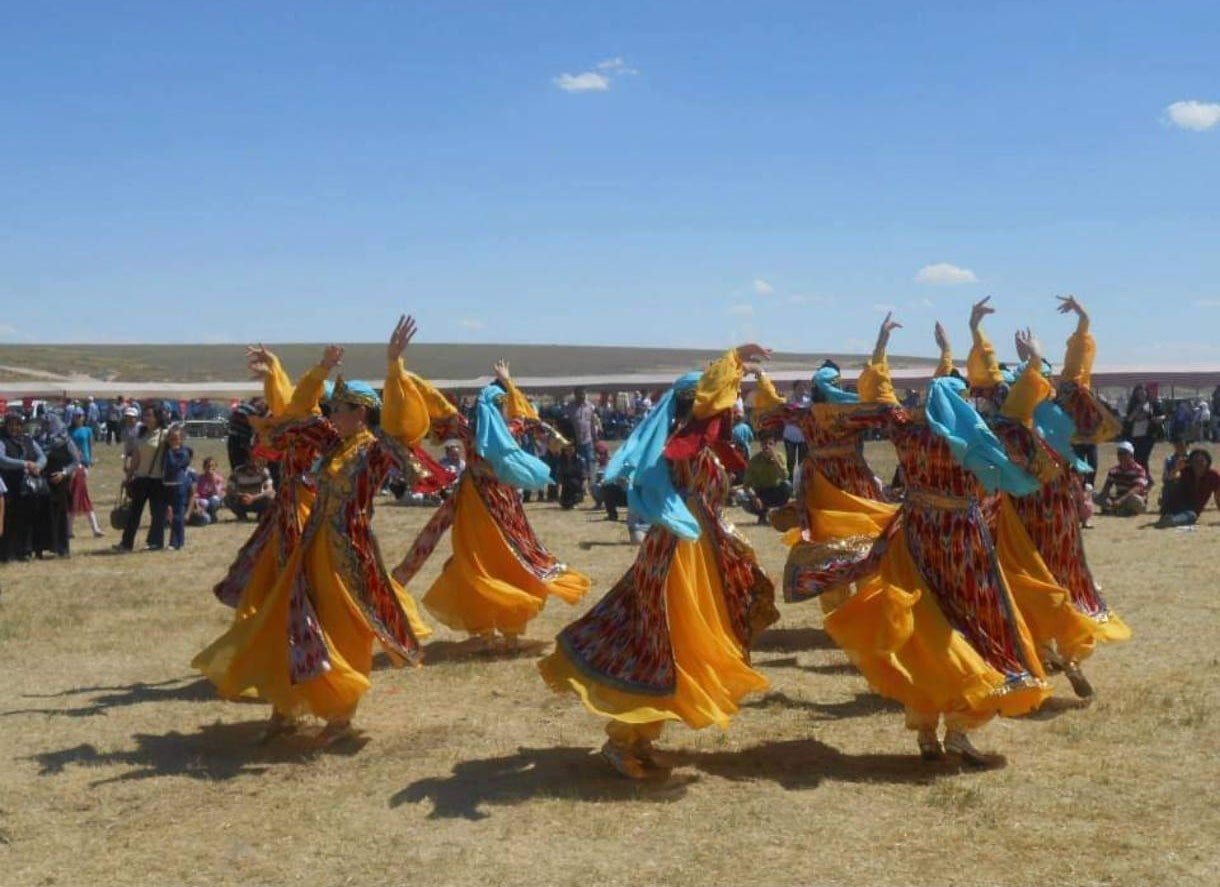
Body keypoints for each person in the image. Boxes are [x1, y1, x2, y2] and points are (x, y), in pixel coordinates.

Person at [538, 344, 779, 779]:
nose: (727, 410)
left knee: (682, 649)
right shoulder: (678, 447)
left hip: (697, 557)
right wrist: (735, 359)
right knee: (662, 646)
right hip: (675, 558)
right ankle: (621, 740)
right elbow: (708, 405)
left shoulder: (700, 446)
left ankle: (640, 738)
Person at [194, 317, 435, 746]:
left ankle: (340, 717)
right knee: (292, 620)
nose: (332, 415)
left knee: (341, 627)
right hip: (312, 544)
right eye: (333, 408)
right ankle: (285, 706)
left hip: (348, 552)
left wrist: (394, 365)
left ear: (360, 413)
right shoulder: (332, 443)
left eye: (340, 409)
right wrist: (299, 370)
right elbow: (297, 408)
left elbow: (403, 426)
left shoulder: (375, 449)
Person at [973, 300, 1130, 698]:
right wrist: (1081, 325)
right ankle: (1069, 653)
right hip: (1056, 504)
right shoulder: (1061, 409)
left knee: (1024, 575)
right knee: (1064, 574)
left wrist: (978, 332)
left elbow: (989, 378)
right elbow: (1075, 376)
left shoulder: (1010, 416)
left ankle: (1040, 649)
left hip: (1020, 508)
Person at [391, 360, 590, 649]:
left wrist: (404, 376)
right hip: (497, 503)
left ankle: (488, 632)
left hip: (477, 500)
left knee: (478, 561)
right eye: (501, 406)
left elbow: (436, 405)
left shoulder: (470, 428)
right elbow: (530, 418)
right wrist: (508, 383)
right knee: (502, 560)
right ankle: (505, 632)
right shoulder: (508, 429)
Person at [116, 405, 170, 552]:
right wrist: (129, 476)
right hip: (141, 478)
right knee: (134, 512)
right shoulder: (141, 433)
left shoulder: (165, 434)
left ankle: (155, 542)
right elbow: (136, 457)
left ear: (157, 417)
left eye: (149, 415)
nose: (146, 418)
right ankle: (126, 543)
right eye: (145, 415)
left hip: (157, 479)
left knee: (157, 513)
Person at [0, 411, 45, 563]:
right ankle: (8, 553)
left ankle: (25, 550)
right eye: (11, 425)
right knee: (9, 520)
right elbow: (2, 460)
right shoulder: (2, 440)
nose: (14, 428)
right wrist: (24, 464)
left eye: (17, 425)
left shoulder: (28, 440)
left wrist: (37, 466)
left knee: (26, 519)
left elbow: (42, 456)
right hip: (9, 486)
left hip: (28, 488)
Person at [35, 415, 81, 558]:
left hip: (59, 484)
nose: (46, 426)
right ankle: (40, 548)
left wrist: (64, 473)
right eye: (44, 423)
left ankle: (62, 548)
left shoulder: (66, 441)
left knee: (60, 516)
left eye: (48, 423)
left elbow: (76, 461)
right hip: (42, 483)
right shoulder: (39, 440)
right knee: (42, 516)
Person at [1157, 448, 1220, 527]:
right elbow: (1168, 481)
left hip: (1190, 512)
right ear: (1191, 463)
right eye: (1195, 462)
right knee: (1171, 484)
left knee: (1191, 515)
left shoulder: (1213, 476)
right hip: (1175, 505)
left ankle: (1171, 521)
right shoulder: (1185, 471)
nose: (1198, 465)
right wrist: (1177, 468)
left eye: (1201, 462)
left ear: (1207, 463)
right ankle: (1167, 515)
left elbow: (1218, 495)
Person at [68, 410, 104, 538]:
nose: (78, 418)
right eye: (75, 416)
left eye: (80, 416)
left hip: (84, 463)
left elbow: (89, 445)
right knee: (76, 496)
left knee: (79, 495)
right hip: (74, 465)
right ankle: (70, 530)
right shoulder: (69, 431)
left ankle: (70, 530)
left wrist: (89, 459)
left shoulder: (87, 430)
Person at [740, 435, 791, 524]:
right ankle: (762, 514)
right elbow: (746, 485)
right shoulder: (754, 460)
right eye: (764, 444)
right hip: (760, 491)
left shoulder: (780, 457)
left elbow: (785, 476)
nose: (767, 446)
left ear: (775, 445)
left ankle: (779, 512)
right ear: (761, 445)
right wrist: (754, 498)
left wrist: (776, 461)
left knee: (788, 486)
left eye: (770, 444)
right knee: (740, 496)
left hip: (775, 490)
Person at [1094, 441, 1149, 515]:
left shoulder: (1139, 470)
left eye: (1124, 453)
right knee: (1095, 495)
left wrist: (1121, 500)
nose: (1121, 456)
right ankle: (1120, 510)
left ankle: (1117, 510)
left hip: (1132, 498)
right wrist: (1105, 497)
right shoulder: (1113, 470)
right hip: (1119, 497)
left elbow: (1137, 488)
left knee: (1136, 500)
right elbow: (1106, 487)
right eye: (1119, 453)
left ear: (1131, 455)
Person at [161, 425, 193, 550]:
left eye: (176, 439)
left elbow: (174, 465)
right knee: (169, 514)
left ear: (181, 439)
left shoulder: (183, 453)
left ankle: (176, 542)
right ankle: (176, 541)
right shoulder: (167, 451)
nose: (173, 441)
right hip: (167, 484)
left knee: (178, 515)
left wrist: (170, 452)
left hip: (179, 485)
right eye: (171, 438)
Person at [1123, 384, 1160, 476]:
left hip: (1149, 435)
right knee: (1136, 457)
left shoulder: (1152, 404)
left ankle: (1145, 477)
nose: (1141, 396)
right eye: (1139, 394)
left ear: (1146, 393)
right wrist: (1139, 407)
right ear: (1135, 395)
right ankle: (1144, 476)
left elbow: (1162, 414)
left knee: (1143, 457)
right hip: (1135, 435)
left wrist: (1159, 419)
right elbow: (1129, 419)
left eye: (1143, 393)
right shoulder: (1133, 405)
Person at [565, 386, 599, 481]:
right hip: (575, 441)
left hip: (588, 440)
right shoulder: (569, 408)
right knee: (578, 463)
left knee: (590, 461)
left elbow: (592, 423)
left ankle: (591, 482)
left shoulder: (590, 407)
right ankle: (580, 482)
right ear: (575, 395)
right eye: (579, 394)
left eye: (583, 394)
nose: (581, 396)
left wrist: (595, 437)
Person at [193, 456, 226, 524]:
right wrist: (197, 503)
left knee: (214, 500)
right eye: (208, 466)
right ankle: (207, 516)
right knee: (204, 503)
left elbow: (218, 492)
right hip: (203, 500)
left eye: (212, 466)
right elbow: (196, 493)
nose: (210, 468)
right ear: (204, 467)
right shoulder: (199, 478)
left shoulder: (219, 478)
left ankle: (211, 514)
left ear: (215, 467)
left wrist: (213, 479)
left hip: (213, 500)